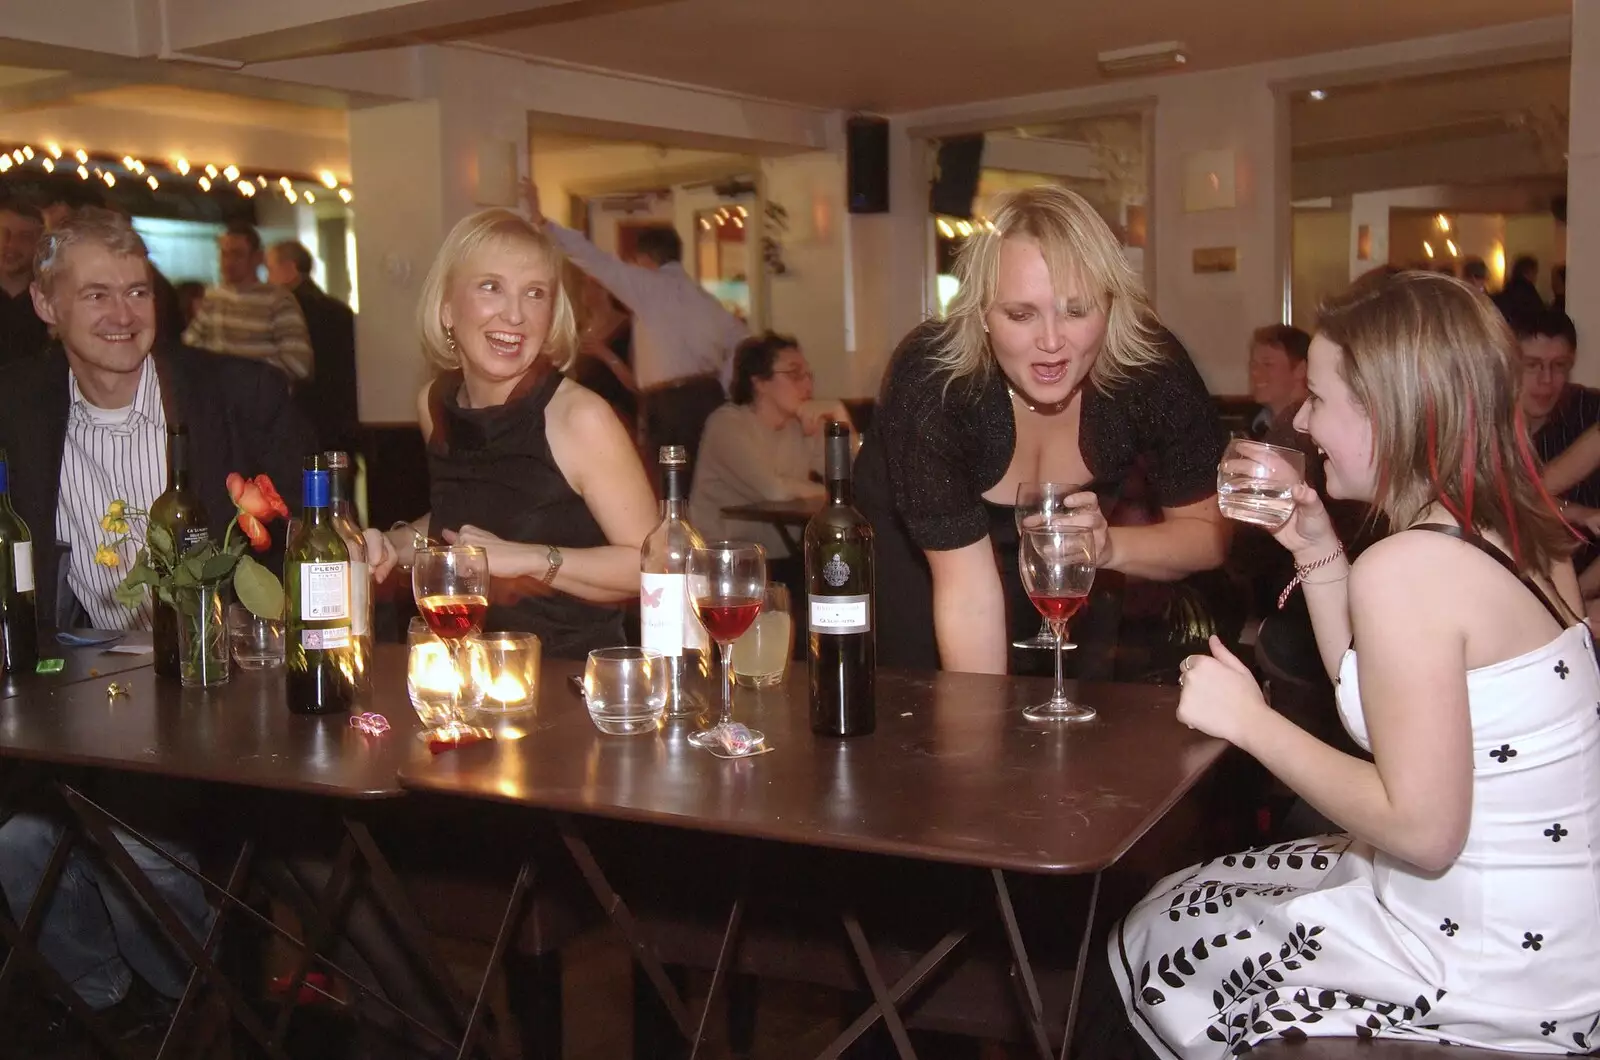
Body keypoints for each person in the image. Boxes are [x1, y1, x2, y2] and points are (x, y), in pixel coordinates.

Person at [1108, 271, 1600, 1058]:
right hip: (1560, 944)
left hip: (1483, 968)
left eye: (1322, 399)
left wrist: (1252, 725)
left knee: (1160, 935)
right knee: (1200, 900)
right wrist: (1317, 547)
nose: (1303, 421)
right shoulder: (1518, 523)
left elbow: (1424, 830)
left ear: (1392, 410)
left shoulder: (1410, 567)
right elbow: (1382, 708)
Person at [0, 208, 321, 1022]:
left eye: (136, 291)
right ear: (46, 305)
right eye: (95, 294)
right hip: (73, 687)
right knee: (18, 844)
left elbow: (316, 544)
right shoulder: (17, 402)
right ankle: (110, 1003)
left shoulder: (238, 394)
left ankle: (202, 998)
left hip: (220, 686)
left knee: (135, 843)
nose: (121, 314)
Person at [854, 184, 1230, 676]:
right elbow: (967, 596)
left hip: (1066, 577)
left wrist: (1107, 547)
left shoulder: (1148, 368)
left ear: (1111, 305)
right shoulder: (935, 381)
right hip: (924, 568)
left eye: (1076, 310)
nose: (1051, 342)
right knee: (935, 721)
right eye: (1020, 314)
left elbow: (1207, 538)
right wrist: (981, 747)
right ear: (982, 315)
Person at [375, 208, 656, 658]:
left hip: (570, 682)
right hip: (462, 671)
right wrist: (395, 544)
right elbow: (466, 513)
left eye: (535, 293)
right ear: (447, 307)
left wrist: (528, 558)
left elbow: (653, 566)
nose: (515, 313)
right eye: (491, 287)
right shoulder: (436, 403)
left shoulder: (580, 418)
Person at [525, 184, 747, 467]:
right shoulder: (704, 299)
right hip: (708, 400)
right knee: (697, 478)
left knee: (669, 483)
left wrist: (543, 223)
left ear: (645, 259)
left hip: (670, 406)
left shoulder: (649, 286)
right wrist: (724, 388)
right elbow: (741, 342)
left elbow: (597, 261)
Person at [690, 332, 854, 557]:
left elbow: (856, 480)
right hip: (723, 561)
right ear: (759, 383)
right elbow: (773, 490)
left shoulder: (801, 424)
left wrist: (840, 416)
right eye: (795, 374)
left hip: (782, 558)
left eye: (809, 375)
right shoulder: (727, 424)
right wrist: (828, 493)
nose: (807, 384)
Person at [182, 222, 313, 382]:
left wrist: (243, 374)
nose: (228, 262)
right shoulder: (214, 297)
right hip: (218, 400)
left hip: (260, 401)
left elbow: (298, 363)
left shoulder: (278, 301)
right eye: (224, 254)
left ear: (257, 258)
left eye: (237, 254)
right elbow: (191, 344)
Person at [267, 239, 359, 453]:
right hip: (341, 419)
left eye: (270, 269)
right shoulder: (339, 310)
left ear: (290, 269)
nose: (267, 279)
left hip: (302, 419)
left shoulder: (285, 312)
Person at [566, 266, 638, 426]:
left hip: (618, 413)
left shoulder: (628, 327)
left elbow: (635, 383)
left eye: (593, 284)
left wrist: (605, 354)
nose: (586, 290)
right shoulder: (580, 327)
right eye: (584, 284)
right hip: (582, 413)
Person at [0, 197, 48, 365]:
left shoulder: (50, 307)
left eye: (24, 237)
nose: (11, 244)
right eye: (4, 233)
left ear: (39, 244)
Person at [1246, 324, 1311, 439]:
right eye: (1253, 365)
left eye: (1268, 364)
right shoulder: (1254, 426)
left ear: (1300, 370)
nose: (1255, 372)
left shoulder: (1315, 431)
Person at [1494, 254, 1545, 330]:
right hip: (1525, 333)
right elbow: (1539, 315)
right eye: (1535, 273)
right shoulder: (1528, 292)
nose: (1535, 277)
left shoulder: (1508, 289)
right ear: (1528, 272)